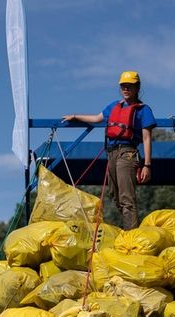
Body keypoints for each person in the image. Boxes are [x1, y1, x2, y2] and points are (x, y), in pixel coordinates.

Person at [63, 70, 156, 230]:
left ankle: (131, 236)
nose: (125, 89)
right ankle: (132, 228)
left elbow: (147, 138)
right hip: (111, 153)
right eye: (123, 86)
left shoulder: (143, 110)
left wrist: (147, 165)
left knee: (127, 198)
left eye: (129, 86)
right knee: (115, 195)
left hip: (127, 153)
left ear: (137, 88)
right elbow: (97, 118)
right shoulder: (114, 106)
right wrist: (75, 116)